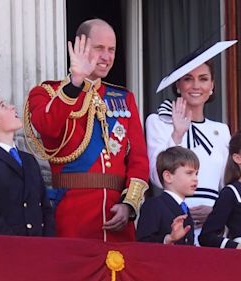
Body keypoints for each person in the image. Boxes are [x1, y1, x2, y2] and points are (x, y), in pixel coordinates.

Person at [25, 19, 149, 242]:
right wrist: (75, 83)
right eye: (99, 48)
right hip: (72, 216)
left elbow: (139, 159)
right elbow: (47, 127)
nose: (107, 56)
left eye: (111, 50)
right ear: (79, 47)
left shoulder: (124, 98)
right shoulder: (47, 93)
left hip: (117, 221)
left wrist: (129, 204)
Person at [146, 42, 235, 243]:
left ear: (212, 86)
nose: (196, 86)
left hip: (213, 226)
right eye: (188, 79)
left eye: (203, 79)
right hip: (173, 221)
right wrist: (177, 133)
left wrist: (216, 213)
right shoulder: (159, 122)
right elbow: (157, 176)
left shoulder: (221, 130)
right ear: (178, 85)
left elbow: (228, 184)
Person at [0, 88, 55, 236]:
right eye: (3, 106)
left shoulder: (29, 160)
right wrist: (19, 246)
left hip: (40, 249)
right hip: (8, 251)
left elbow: (45, 209)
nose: (12, 106)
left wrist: (48, 244)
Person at [136, 147, 198, 245]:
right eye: (189, 173)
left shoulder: (185, 209)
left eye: (196, 174)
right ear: (168, 177)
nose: (195, 179)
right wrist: (167, 239)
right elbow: (143, 243)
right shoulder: (154, 205)